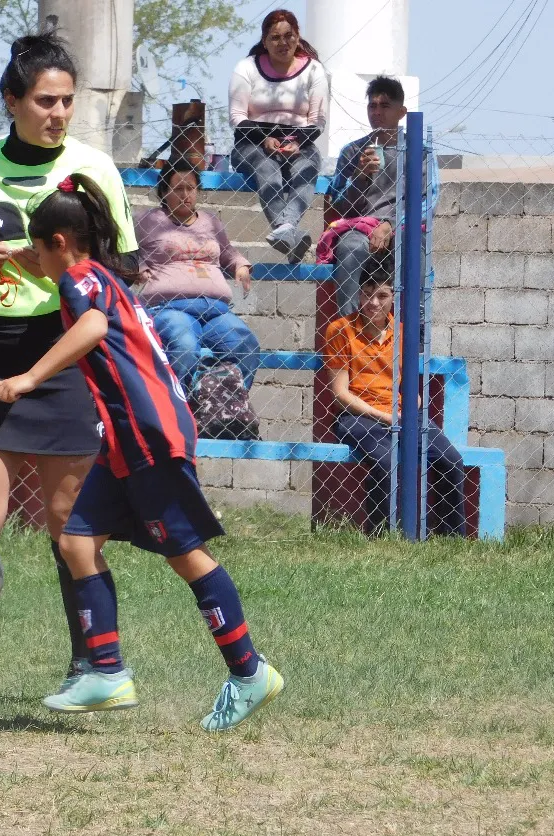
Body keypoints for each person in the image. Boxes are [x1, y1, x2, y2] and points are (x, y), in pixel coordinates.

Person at [0, 174, 284, 729]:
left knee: (186, 556)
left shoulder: (81, 282)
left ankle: (250, 673)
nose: (36, 259)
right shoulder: (94, 271)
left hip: (148, 432)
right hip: (126, 436)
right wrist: (9, 254)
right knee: (76, 541)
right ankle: (107, 672)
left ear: (57, 241)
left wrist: (28, 377)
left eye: (38, 247)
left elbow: (93, 327)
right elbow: (48, 265)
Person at [0, 30, 139, 710]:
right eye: (45, 100)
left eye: (67, 102)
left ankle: (94, 666)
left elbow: (128, 270)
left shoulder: (94, 170)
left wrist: (67, 265)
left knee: (68, 523)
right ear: (12, 100)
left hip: (70, 353)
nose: (58, 113)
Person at [324, 260, 466, 536]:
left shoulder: (401, 333)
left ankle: (450, 537)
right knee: (386, 460)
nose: (373, 303)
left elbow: (409, 389)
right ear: (358, 293)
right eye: (366, 293)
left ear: (393, 298)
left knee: (451, 459)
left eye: (382, 296)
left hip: (399, 413)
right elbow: (340, 393)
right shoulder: (341, 329)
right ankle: (384, 535)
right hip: (359, 416)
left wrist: (411, 409)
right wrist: (384, 416)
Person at [136, 158, 258, 391]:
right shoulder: (148, 220)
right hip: (170, 308)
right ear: (164, 191)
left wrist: (240, 265)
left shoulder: (211, 222)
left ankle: (226, 409)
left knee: (245, 344)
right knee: (184, 347)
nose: (186, 195)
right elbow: (126, 251)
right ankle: (179, 412)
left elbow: (228, 253)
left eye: (190, 188)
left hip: (215, 310)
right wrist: (139, 266)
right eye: (178, 188)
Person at [326, 76, 440, 318]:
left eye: (385, 106)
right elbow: (339, 203)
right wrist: (359, 176)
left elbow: (428, 202)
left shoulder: (419, 152)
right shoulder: (352, 151)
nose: (376, 112)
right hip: (361, 229)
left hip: (403, 229)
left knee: (413, 249)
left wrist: (392, 224)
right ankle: (350, 329)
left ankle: (412, 328)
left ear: (402, 112)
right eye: (372, 106)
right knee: (349, 247)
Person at [228, 9, 327, 263]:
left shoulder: (314, 70)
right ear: (264, 41)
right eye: (275, 38)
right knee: (267, 167)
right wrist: (264, 139)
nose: (282, 43)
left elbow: (318, 120)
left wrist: (298, 142)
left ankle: (285, 230)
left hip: (299, 142)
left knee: (308, 167)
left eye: (288, 36)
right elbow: (237, 116)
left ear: (297, 36)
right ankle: (289, 231)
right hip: (252, 142)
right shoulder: (246, 68)